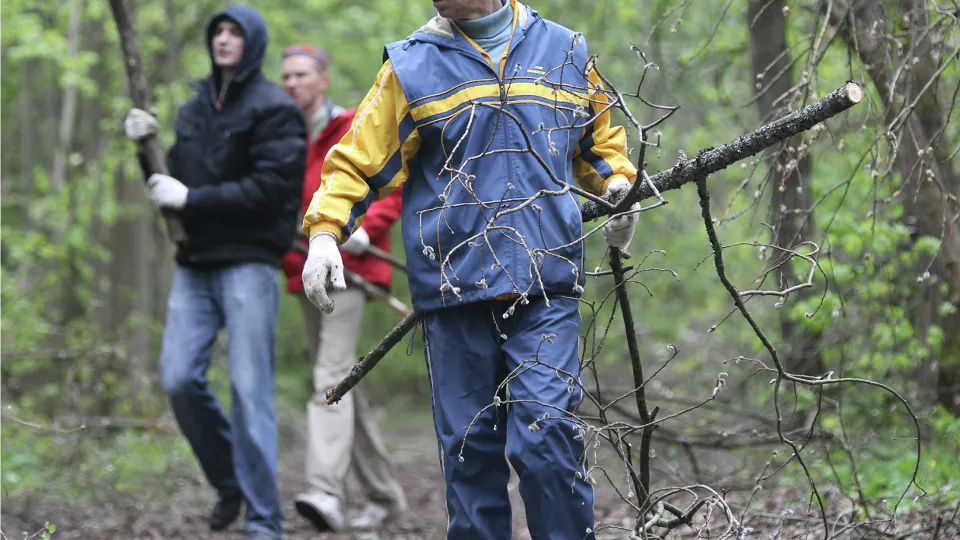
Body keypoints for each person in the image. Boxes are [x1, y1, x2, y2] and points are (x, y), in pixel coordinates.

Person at [299, 0, 640, 538]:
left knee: (546, 436)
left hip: (545, 285)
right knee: (469, 457)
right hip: (453, 292)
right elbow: (356, 162)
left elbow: (597, 144)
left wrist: (620, 187)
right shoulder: (411, 65)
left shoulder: (566, 52)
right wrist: (325, 233)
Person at [122, 5, 306, 540]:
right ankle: (231, 480)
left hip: (249, 261)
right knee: (178, 378)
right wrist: (144, 148)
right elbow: (171, 184)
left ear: (253, 42)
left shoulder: (276, 108)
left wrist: (194, 197)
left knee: (251, 391)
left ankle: (265, 520)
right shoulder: (196, 106)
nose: (224, 39)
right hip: (196, 262)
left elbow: (272, 191)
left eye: (234, 32)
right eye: (218, 31)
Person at [277, 43, 408, 532]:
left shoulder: (350, 125)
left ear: (322, 80)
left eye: (302, 75)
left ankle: (325, 492)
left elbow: (385, 180)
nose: (292, 83)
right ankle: (384, 496)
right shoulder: (284, 137)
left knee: (330, 377)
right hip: (300, 272)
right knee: (341, 385)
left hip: (349, 273)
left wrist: (366, 229)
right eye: (286, 76)